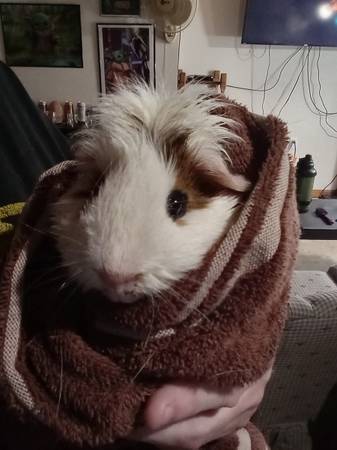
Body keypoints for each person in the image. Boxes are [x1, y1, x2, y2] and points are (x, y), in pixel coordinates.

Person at [0, 61, 271, 449]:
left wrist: (248, 352)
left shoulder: (7, 87)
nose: (116, 269)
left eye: (177, 203)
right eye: (95, 195)